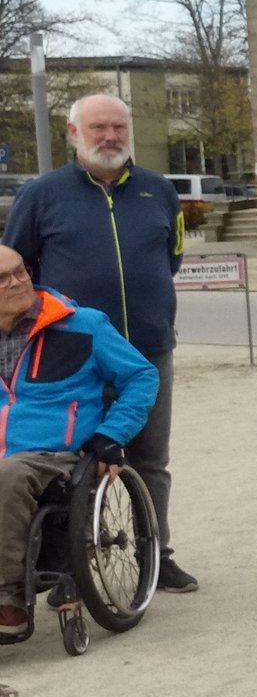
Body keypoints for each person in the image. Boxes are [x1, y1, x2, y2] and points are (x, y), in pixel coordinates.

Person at [3, 93, 193, 592]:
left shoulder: (159, 191)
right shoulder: (41, 195)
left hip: (148, 346)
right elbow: (16, 267)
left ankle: (157, 553)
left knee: (150, 458)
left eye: (118, 128)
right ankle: (65, 561)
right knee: (66, 458)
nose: (110, 137)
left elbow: (170, 257)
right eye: (97, 129)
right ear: (73, 134)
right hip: (69, 353)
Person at [0, 244, 160, 642]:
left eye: (20, 271)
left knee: (8, 474)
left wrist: (112, 433)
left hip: (52, 454)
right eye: (4, 278)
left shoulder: (81, 325)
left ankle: (8, 598)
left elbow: (141, 376)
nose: (18, 281)